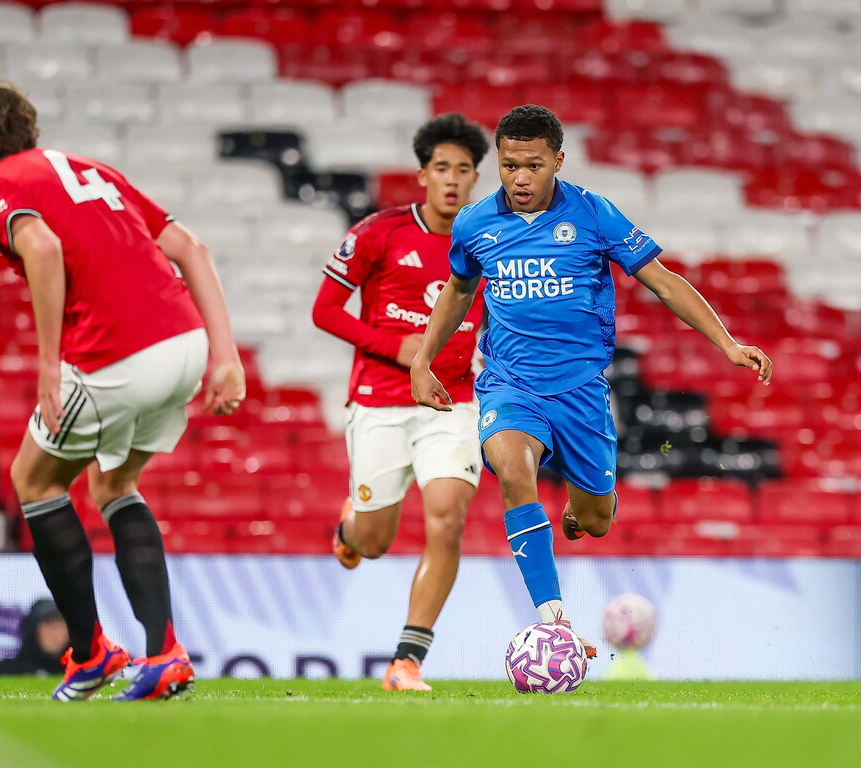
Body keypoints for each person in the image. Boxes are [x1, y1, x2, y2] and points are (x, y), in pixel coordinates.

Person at [410, 104, 773, 655]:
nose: (520, 178)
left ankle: (581, 508)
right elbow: (459, 292)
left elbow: (665, 282)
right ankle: (553, 620)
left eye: (533, 165)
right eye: (509, 166)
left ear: (558, 160)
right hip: (510, 382)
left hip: (581, 391)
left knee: (598, 521)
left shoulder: (594, 214)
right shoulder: (475, 222)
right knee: (512, 467)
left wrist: (726, 342)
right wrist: (423, 360)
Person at [0, 75, 246, 701]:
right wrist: (225, 357)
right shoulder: (96, 170)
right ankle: (164, 655)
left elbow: (43, 248)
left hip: (116, 355)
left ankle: (89, 654)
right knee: (113, 483)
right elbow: (191, 248)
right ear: (31, 129)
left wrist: (48, 362)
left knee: (34, 481)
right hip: (185, 345)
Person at [312, 114, 489, 691]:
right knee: (374, 542)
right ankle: (350, 530)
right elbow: (325, 311)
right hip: (380, 400)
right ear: (422, 175)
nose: (453, 180)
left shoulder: (492, 240)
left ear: (475, 178)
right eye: (443, 168)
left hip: (454, 401)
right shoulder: (377, 233)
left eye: (464, 170)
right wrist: (399, 346)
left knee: (447, 517)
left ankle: (406, 661)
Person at [0, 599, 69, 677]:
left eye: (59, 626)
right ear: (33, 630)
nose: (54, 633)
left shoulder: (78, 673)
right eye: (48, 625)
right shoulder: (8, 672)